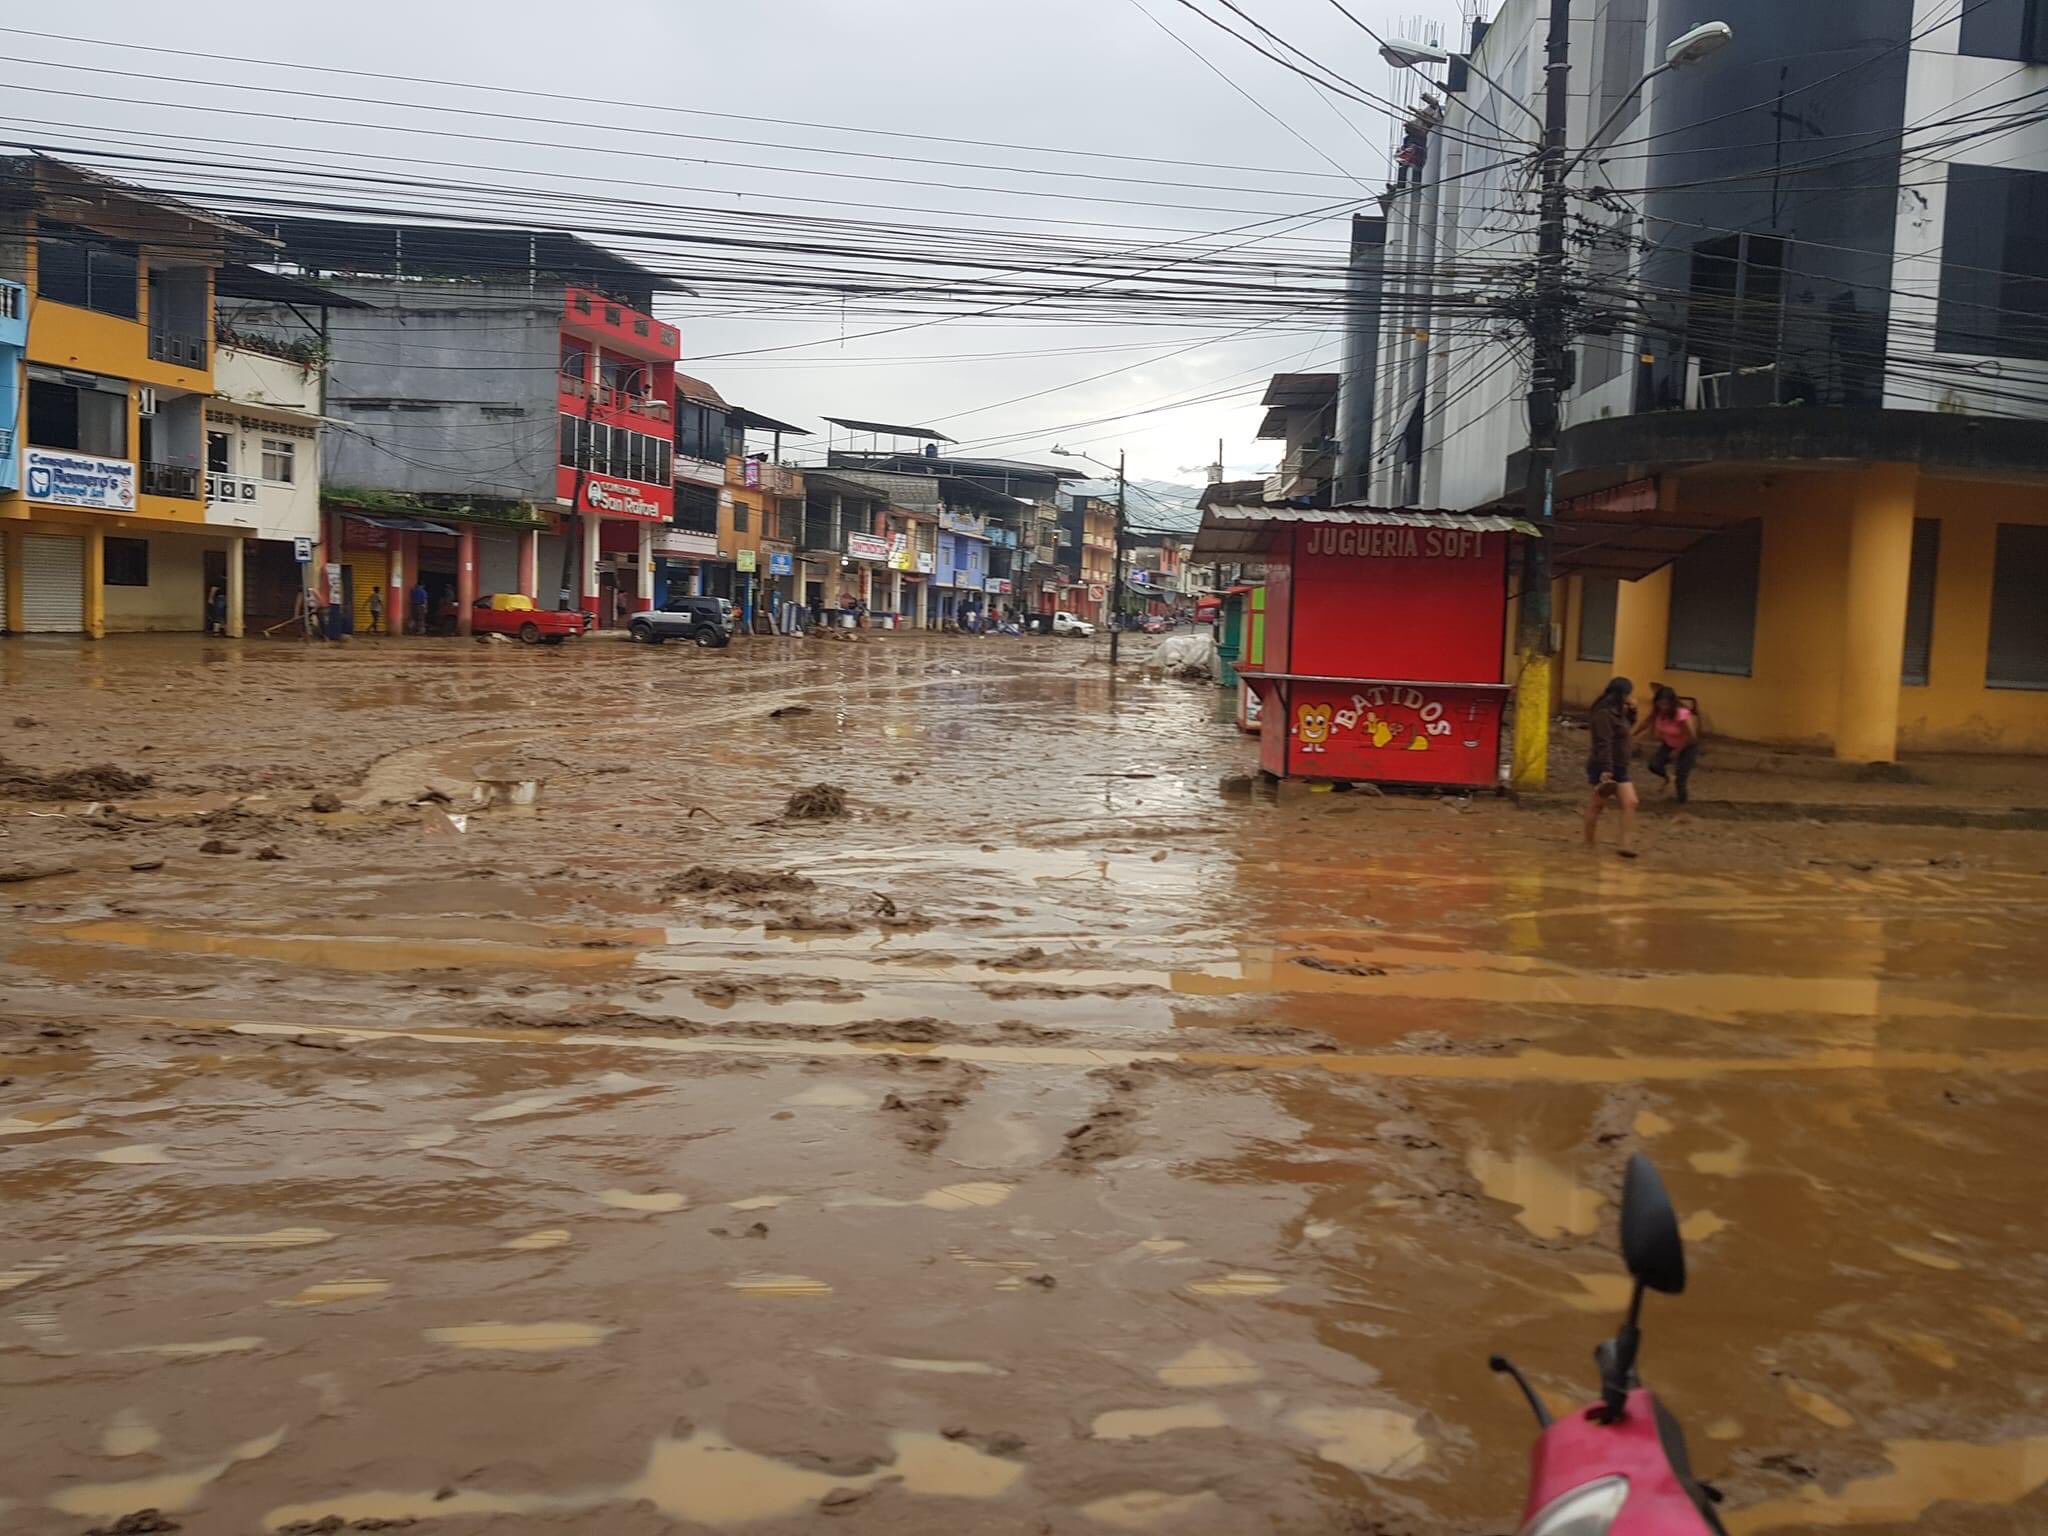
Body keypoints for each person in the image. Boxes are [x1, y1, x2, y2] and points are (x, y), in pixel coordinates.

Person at [1584, 675, 1639, 858]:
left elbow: (1626, 728)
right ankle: (1588, 842)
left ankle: (1626, 844)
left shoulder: (1619, 712)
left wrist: (1633, 711)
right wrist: (1606, 770)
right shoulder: (1603, 714)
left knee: (1630, 802)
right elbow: (1603, 742)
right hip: (1604, 766)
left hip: (1621, 766)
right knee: (1597, 804)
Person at [1637, 685, 1701, 804]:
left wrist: (1677, 751)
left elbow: (1691, 737)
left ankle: (1682, 804)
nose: (1663, 707)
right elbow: (1646, 723)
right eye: (1660, 704)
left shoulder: (1681, 714)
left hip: (1687, 746)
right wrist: (1633, 735)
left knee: (1681, 778)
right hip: (1669, 744)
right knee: (1654, 765)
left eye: (1666, 704)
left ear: (1672, 703)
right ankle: (1668, 778)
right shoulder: (1657, 712)